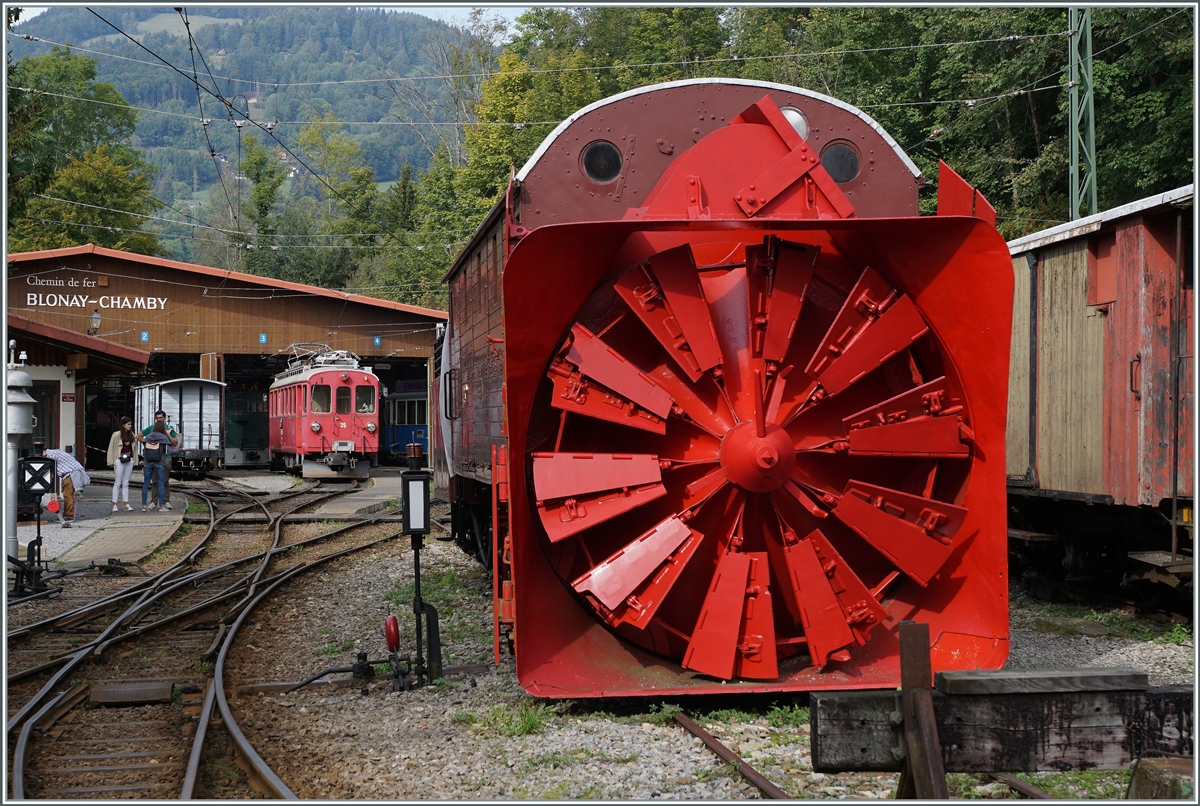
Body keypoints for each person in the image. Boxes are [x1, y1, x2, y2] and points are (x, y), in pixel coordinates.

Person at [40, 442, 89, 526]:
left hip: (70, 474)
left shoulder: (51, 454)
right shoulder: (56, 452)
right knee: (67, 494)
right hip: (70, 474)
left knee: (68, 495)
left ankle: (69, 516)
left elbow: (45, 465)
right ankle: (67, 514)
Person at [141, 410, 179, 510]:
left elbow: (175, 442)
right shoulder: (151, 428)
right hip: (153, 458)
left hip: (165, 457)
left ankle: (166, 501)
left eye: (161, 418)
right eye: (157, 418)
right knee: (155, 481)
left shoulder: (169, 428)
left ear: (164, 418)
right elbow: (139, 435)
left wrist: (169, 434)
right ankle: (154, 502)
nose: (159, 420)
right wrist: (148, 447)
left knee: (165, 481)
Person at [138, 421, 173, 512]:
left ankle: (144, 506)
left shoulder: (148, 436)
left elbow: (143, 442)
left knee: (146, 484)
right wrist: (181, 449)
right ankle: (161, 506)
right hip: (160, 462)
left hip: (148, 463)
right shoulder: (163, 437)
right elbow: (170, 449)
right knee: (161, 484)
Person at [106, 416, 138, 512]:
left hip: (129, 459)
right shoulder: (116, 435)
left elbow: (134, 449)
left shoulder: (131, 434)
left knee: (126, 482)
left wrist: (134, 460)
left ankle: (126, 503)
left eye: (131, 424)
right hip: (119, 460)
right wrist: (111, 461)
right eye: (128, 424)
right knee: (117, 482)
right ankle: (114, 504)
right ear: (123, 425)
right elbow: (111, 448)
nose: (130, 426)